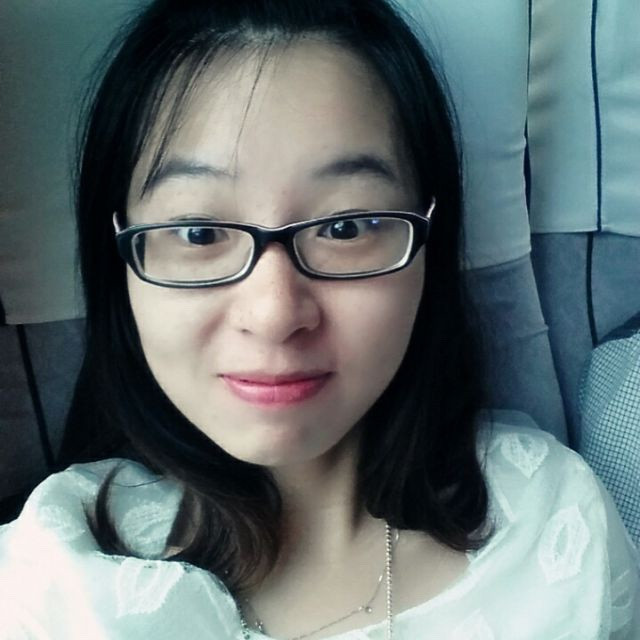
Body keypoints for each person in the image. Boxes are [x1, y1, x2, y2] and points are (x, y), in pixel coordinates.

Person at [0, 0, 638, 638]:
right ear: (119, 266)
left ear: (429, 250)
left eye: (346, 227)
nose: (275, 313)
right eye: (199, 232)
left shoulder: (552, 529)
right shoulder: (48, 582)